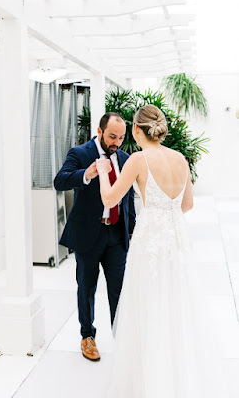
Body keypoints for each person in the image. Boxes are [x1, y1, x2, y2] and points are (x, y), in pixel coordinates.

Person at [96, 104, 227, 397]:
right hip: (176, 240)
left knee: (148, 306)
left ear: (136, 130)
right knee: (177, 305)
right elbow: (188, 204)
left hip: (150, 242)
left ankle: (149, 382)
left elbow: (109, 198)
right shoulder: (180, 159)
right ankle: (177, 379)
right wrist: (168, 212)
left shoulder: (138, 160)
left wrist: (104, 171)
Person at [53, 112, 136, 362]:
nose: (117, 142)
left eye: (121, 137)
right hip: (89, 234)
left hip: (116, 236)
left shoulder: (125, 158)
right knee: (86, 287)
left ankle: (121, 338)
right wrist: (86, 175)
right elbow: (59, 181)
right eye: (112, 136)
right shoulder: (80, 153)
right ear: (99, 132)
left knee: (119, 290)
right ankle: (87, 336)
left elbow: (129, 199)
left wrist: (131, 231)